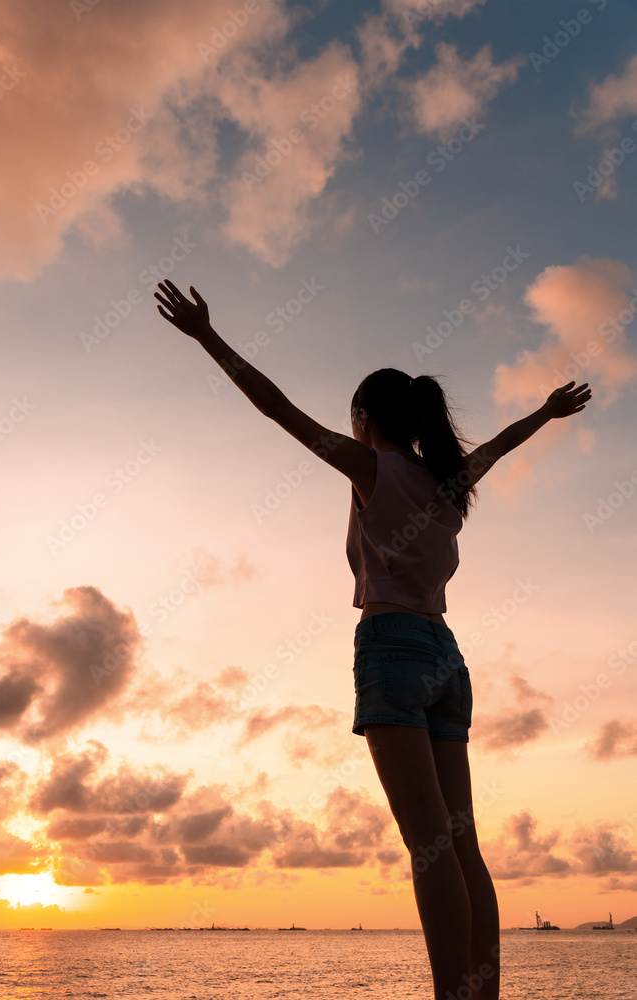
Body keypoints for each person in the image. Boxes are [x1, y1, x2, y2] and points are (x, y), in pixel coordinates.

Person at [154, 278, 592, 1000]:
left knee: (429, 849)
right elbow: (503, 446)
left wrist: (207, 337)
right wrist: (546, 411)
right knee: (464, 848)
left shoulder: (372, 466)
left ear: (363, 417)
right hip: (449, 658)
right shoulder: (450, 480)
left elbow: (276, 408)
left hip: (391, 648)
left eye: (351, 418)